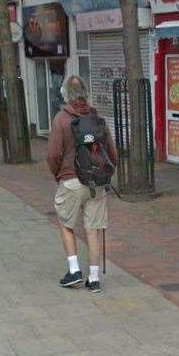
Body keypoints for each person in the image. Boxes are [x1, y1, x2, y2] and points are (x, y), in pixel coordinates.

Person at [47, 75, 118, 294]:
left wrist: (58, 174)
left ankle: (74, 270)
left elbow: (53, 154)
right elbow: (112, 153)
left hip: (71, 180)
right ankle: (94, 279)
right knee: (93, 229)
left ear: (66, 94)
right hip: (96, 181)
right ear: (86, 94)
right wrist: (107, 173)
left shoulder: (61, 118)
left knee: (65, 222)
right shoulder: (97, 118)